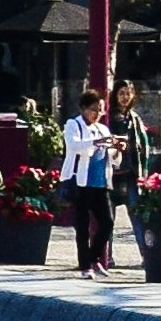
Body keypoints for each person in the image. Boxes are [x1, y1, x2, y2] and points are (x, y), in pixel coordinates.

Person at [58, 96, 122, 275]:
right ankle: (85, 265)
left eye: (101, 110)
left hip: (101, 182)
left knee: (107, 222)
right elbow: (74, 145)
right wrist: (96, 143)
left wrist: (116, 149)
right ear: (83, 108)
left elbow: (114, 158)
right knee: (82, 224)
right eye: (94, 109)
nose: (98, 114)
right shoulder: (73, 124)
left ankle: (94, 258)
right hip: (81, 181)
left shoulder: (103, 129)